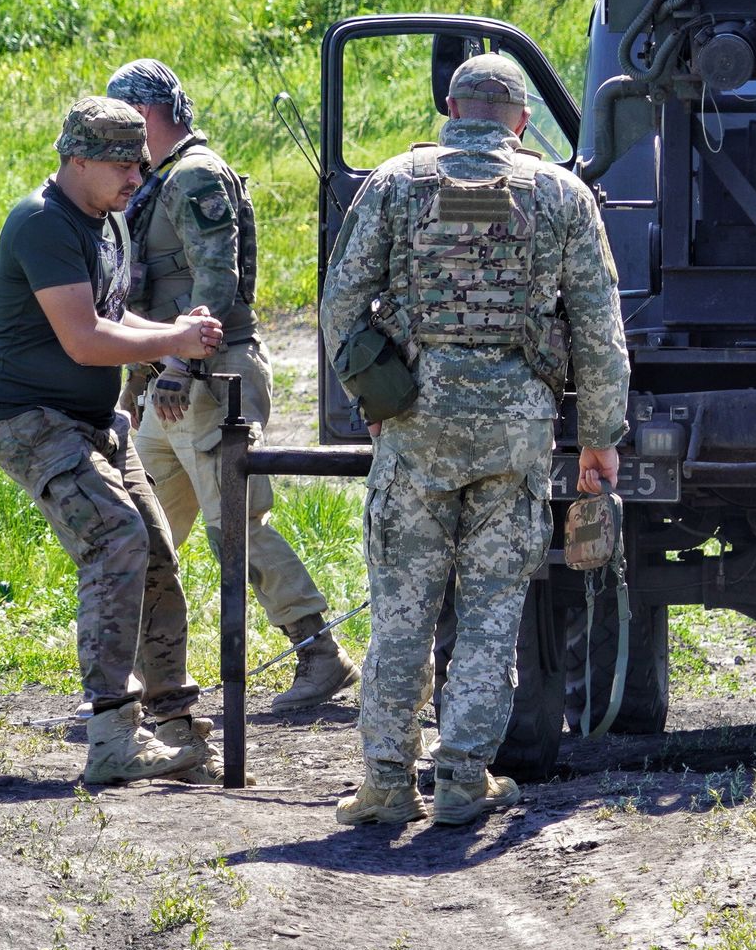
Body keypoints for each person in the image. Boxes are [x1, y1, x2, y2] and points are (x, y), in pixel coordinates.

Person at [319, 53, 630, 827]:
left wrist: (375, 393)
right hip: (515, 434)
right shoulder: (559, 193)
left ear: (450, 108)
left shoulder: (394, 183)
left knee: (402, 612)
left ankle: (387, 783)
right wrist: (598, 438)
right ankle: (462, 778)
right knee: (493, 611)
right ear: (521, 120)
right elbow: (598, 328)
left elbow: (340, 306)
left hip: (417, 428)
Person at [0, 98, 227, 784]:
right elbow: (86, 340)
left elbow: (114, 316)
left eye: (141, 163)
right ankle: (113, 732)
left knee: (155, 552)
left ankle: (177, 727)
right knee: (115, 536)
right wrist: (173, 340)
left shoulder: (105, 221)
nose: (135, 177)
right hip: (28, 419)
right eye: (120, 164)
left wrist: (172, 334)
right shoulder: (42, 224)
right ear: (75, 159)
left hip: (90, 424)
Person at [105, 60, 360, 712]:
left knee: (234, 527)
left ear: (148, 115)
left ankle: (317, 651)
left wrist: (182, 366)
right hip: (171, 380)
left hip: (206, 376)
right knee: (144, 530)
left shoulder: (194, 176)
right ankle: (141, 680)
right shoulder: (164, 180)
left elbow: (214, 281)